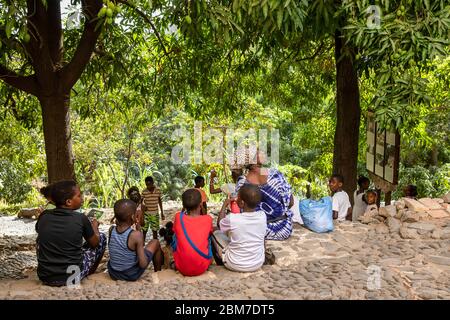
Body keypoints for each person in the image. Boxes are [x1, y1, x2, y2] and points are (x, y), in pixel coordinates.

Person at [35, 180, 106, 286]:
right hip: (72, 277)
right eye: (79, 195)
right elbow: (95, 243)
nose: (82, 198)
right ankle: (88, 272)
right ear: (68, 202)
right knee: (102, 238)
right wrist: (95, 227)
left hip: (45, 276)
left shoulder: (44, 216)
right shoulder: (81, 218)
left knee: (39, 240)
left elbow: (39, 230)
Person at [235, 148, 294, 241]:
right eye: (258, 151)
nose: (263, 152)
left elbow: (240, 209)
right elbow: (290, 203)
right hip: (284, 229)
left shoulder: (242, 182)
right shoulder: (275, 174)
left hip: (256, 231)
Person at [212, 184, 267, 272]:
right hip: (258, 263)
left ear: (241, 203)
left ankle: (221, 262)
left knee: (215, 232)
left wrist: (224, 205)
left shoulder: (233, 218)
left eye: (238, 197)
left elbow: (220, 224)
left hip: (234, 263)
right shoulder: (262, 216)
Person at [108, 199, 163, 281]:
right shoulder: (136, 235)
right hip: (130, 274)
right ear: (133, 217)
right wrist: (139, 232)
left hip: (113, 273)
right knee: (155, 242)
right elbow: (143, 264)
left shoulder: (111, 229)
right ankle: (158, 273)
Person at [172, 189, 213, 276]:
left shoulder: (178, 217)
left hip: (182, 267)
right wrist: (203, 211)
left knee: (175, 235)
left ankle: (177, 259)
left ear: (183, 205)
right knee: (210, 235)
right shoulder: (208, 219)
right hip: (202, 267)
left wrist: (184, 209)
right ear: (200, 204)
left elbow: (175, 230)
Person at [141, 176, 165, 241]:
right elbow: (141, 201)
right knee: (144, 230)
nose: (148, 186)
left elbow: (160, 201)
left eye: (149, 184)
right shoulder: (144, 191)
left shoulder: (158, 190)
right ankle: (142, 245)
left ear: (153, 183)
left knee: (154, 231)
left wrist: (162, 213)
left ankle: (155, 244)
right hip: (146, 214)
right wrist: (143, 206)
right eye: (146, 184)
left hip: (155, 214)